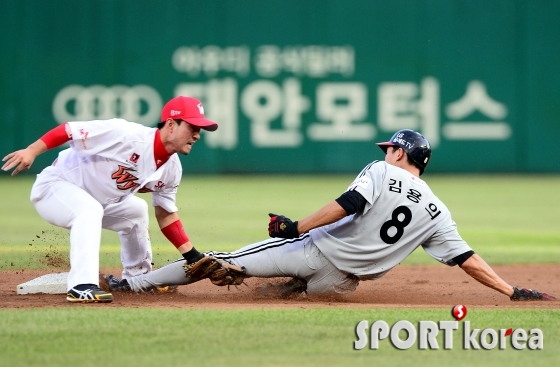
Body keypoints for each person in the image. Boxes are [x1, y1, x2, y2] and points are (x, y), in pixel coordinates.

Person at [104, 129, 555, 302]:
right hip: (341, 283)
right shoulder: (438, 210)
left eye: (390, 147)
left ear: (401, 153)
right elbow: (466, 259)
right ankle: (288, 291)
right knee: (294, 293)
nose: (385, 151)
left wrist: (293, 227)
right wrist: (511, 290)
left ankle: (134, 283)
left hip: (312, 252)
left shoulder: (381, 170)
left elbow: (350, 205)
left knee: (218, 261)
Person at [2, 96, 230, 303]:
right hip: (55, 188)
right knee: (89, 210)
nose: (198, 134)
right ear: (171, 124)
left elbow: (166, 213)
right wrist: (32, 151)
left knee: (136, 211)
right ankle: (81, 286)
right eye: (192, 127)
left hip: (99, 201)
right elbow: (69, 130)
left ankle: (138, 280)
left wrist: (192, 256)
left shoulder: (171, 168)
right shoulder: (126, 135)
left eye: (199, 129)